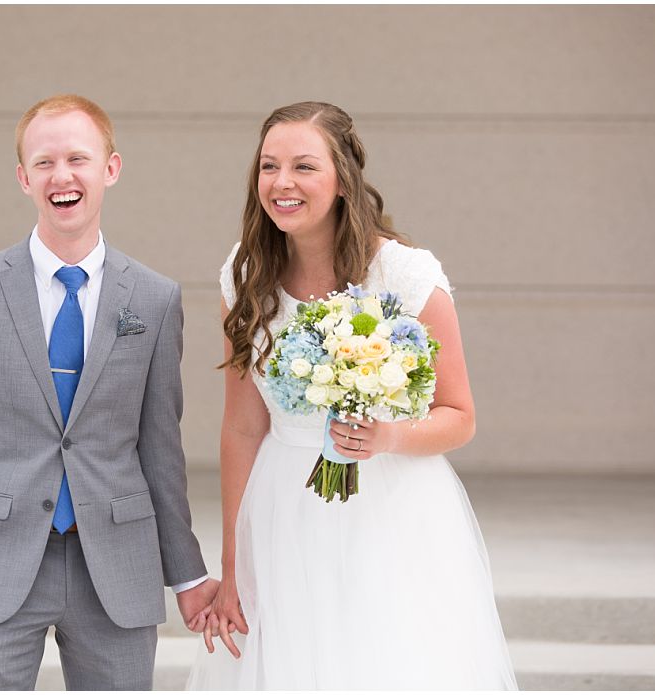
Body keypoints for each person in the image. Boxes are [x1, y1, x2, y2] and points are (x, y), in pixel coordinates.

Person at [186, 102, 517, 689]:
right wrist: (233, 564)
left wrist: (387, 434)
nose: (282, 183)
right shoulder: (244, 277)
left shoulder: (405, 276)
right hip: (282, 507)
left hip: (389, 508)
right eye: (268, 166)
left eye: (304, 166)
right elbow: (242, 427)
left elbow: (459, 416)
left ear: (343, 178)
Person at [0, 94, 219, 690]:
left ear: (111, 169)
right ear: (24, 178)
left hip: (118, 567)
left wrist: (186, 574)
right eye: (44, 162)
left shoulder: (155, 299)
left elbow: (160, 450)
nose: (62, 176)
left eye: (79, 158)